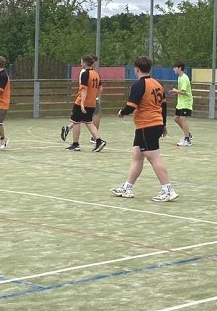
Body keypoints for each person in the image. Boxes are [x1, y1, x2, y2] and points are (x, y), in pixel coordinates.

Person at [111, 56, 179, 202]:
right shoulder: (157, 84)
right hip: (150, 125)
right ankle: (127, 187)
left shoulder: (139, 85)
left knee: (154, 158)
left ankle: (168, 190)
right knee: (137, 155)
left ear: (136, 69)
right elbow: (164, 106)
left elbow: (131, 106)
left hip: (147, 125)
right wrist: (163, 124)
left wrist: (122, 112)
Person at [61, 54, 106, 152]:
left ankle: (75, 144)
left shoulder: (85, 74)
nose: (81, 63)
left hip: (82, 101)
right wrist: (94, 97)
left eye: (81, 62)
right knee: (89, 122)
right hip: (92, 102)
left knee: (76, 122)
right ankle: (99, 141)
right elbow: (100, 89)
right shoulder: (96, 74)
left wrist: (82, 103)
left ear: (85, 63)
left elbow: (84, 90)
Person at [170, 61, 193, 146]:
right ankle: (188, 134)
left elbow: (183, 92)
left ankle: (187, 140)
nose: (173, 69)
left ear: (179, 68)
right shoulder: (180, 77)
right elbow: (181, 91)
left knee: (182, 119)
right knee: (176, 118)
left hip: (186, 102)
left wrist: (175, 90)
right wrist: (175, 92)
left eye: (175, 68)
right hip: (180, 103)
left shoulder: (184, 78)